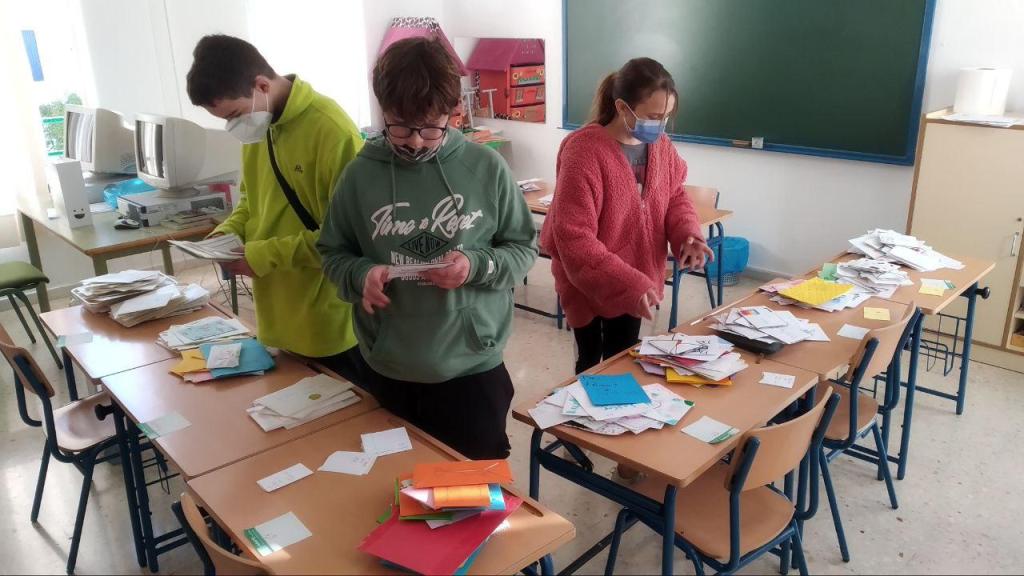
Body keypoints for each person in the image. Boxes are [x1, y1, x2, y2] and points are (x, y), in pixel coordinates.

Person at [317, 37, 538, 460]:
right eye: (400, 127)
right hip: (389, 366)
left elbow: (523, 248)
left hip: (472, 367)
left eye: (431, 128)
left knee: (475, 486)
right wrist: (360, 275)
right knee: (395, 485)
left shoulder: (486, 168)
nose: (416, 142)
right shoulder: (359, 175)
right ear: (383, 111)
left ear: (452, 113)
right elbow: (332, 252)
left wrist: (476, 265)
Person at [185, 34, 365, 383]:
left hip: (326, 322)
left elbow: (347, 239)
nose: (233, 126)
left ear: (262, 86)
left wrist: (261, 256)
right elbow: (252, 201)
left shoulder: (332, 130)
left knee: (339, 415)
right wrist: (227, 233)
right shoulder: (259, 125)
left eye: (234, 114)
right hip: (275, 315)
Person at [542, 57, 714, 376]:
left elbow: (674, 194)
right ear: (623, 108)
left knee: (621, 359)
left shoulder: (660, 146)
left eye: (666, 117)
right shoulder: (584, 151)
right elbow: (574, 238)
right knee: (592, 364)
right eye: (654, 117)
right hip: (588, 282)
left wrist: (687, 235)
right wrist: (629, 283)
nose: (661, 126)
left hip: (636, 277)